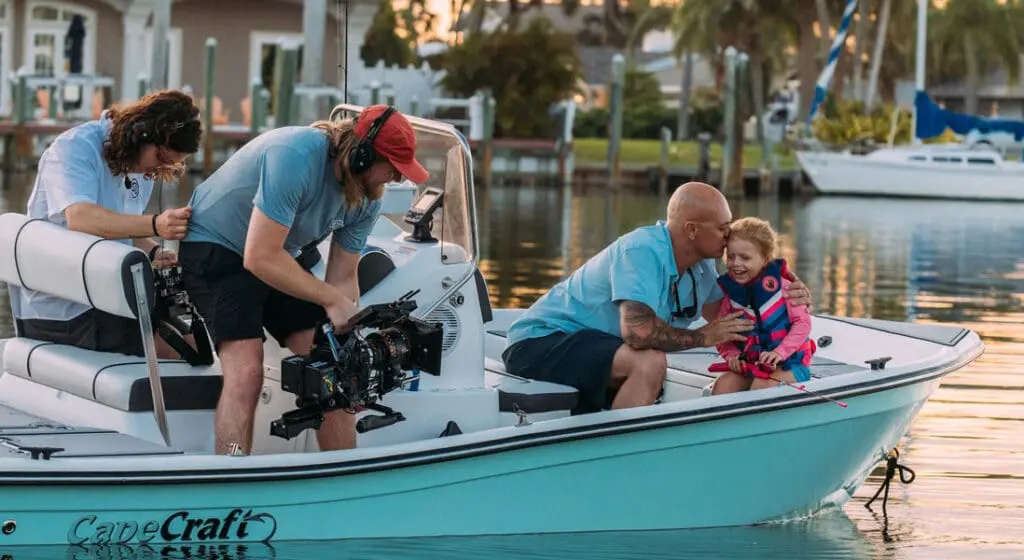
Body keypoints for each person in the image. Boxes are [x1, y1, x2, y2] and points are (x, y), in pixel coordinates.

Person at [177, 104, 430, 456]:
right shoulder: (295, 157)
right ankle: (231, 471)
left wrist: (348, 348)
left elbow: (343, 277)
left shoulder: (368, 200)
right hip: (216, 246)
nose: (398, 179)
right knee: (246, 372)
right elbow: (259, 257)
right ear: (361, 155)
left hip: (276, 252)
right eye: (393, 168)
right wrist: (331, 300)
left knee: (337, 368)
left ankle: (342, 473)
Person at [501, 182, 814, 415]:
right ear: (691, 230)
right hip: (539, 343)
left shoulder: (702, 266)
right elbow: (638, 333)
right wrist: (703, 336)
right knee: (649, 362)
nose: (729, 235)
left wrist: (785, 295)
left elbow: (736, 319)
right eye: (723, 228)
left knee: (660, 363)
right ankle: (620, 457)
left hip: (595, 349)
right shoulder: (641, 251)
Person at [10, 89, 202, 358]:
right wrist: (156, 224)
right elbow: (81, 218)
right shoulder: (74, 147)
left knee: (195, 335)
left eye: (169, 167)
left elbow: (122, 228)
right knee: (175, 350)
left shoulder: (141, 168)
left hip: (108, 293)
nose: (158, 172)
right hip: (64, 307)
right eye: (160, 159)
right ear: (141, 133)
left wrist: (156, 252)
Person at [709, 217, 815, 394]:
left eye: (745, 258)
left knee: (762, 385)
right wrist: (732, 356)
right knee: (723, 385)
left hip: (790, 365)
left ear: (766, 259)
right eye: (731, 256)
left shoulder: (788, 289)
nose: (736, 263)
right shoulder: (731, 297)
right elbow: (721, 334)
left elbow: (803, 324)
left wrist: (779, 353)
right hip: (751, 365)